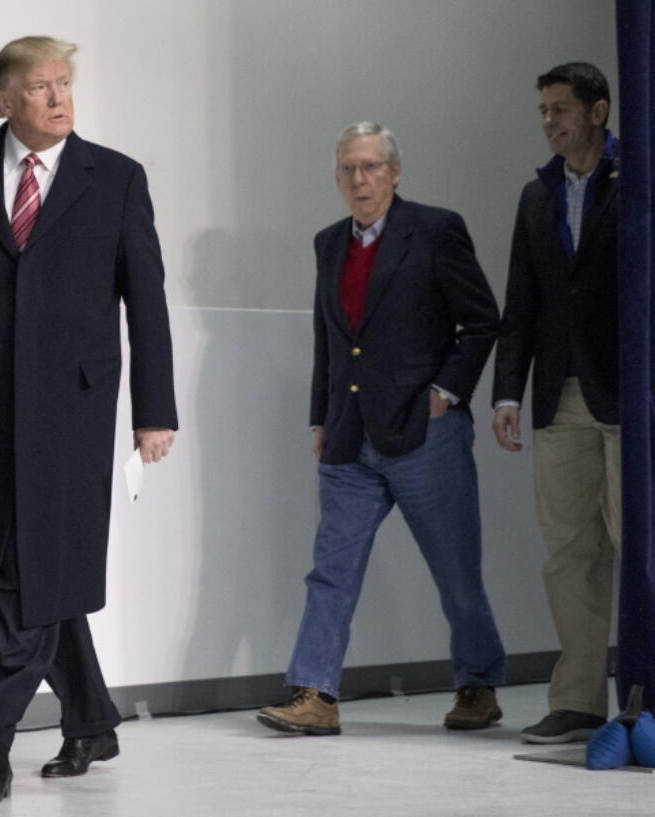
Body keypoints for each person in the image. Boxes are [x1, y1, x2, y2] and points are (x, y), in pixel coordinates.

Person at [0, 36, 177, 805]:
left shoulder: (114, 178)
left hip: (77, 412)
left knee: (25, 574)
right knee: (18, 569)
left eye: (64, 84)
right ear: (3, 100)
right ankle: (91, 717)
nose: (58, 98)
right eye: (40, 86)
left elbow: (146, 304)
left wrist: (156, 411)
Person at [257, 122, 507, 736]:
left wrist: (446, 394)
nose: (359, 180)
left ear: (395, 172)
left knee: (455, 570)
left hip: (427, 436)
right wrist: (321, 417)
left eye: (370, 167)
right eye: (348, 169)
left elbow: (481, 321)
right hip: (349, 438)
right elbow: (329, 339)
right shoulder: (327, 243)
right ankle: (315, 693)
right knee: (331, 569)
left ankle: (477, 684)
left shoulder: (436, 229)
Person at [492, 62, 620, 744]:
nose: (549, 122)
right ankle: (578, 701)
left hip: (629, 391)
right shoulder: (535, 197)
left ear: (598, 112)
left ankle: (645, 687)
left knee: (640, 541)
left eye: (561, 109)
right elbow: (523, 303)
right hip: (559, 394)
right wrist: (507, 390)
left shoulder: (636, 179)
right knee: (569, 550)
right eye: (543, 110)